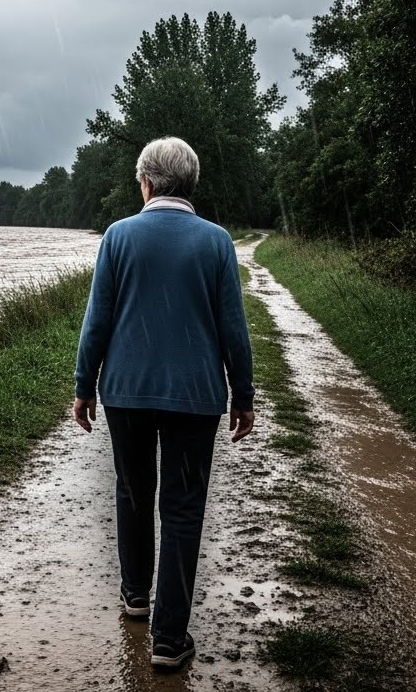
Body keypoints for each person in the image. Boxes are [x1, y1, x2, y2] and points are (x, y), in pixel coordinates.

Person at [72, 136, 255, 669]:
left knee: (132, 492)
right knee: (182, 508)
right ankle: (169, 640)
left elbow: (97, 320)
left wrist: (85, 386)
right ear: (190, 184)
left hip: (126, 392)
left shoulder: (118, 236)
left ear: (146, 182)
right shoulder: (217, 242)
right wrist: (241, 395)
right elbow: (233, 330)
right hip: (195, 396)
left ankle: (134, 597)